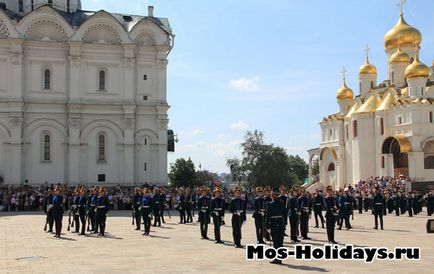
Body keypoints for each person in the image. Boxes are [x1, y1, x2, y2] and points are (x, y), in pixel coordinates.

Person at [265, 187, 287, 265]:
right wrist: (285, 224)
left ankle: (276, 258)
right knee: (280, 242)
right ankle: (280, 258)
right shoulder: (282, 203)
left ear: (272, 195)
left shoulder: (270, 204)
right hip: (281, 223)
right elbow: (285, 214)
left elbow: (267, 216)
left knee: (275, 242)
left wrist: (267, 226)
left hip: (274, 224)